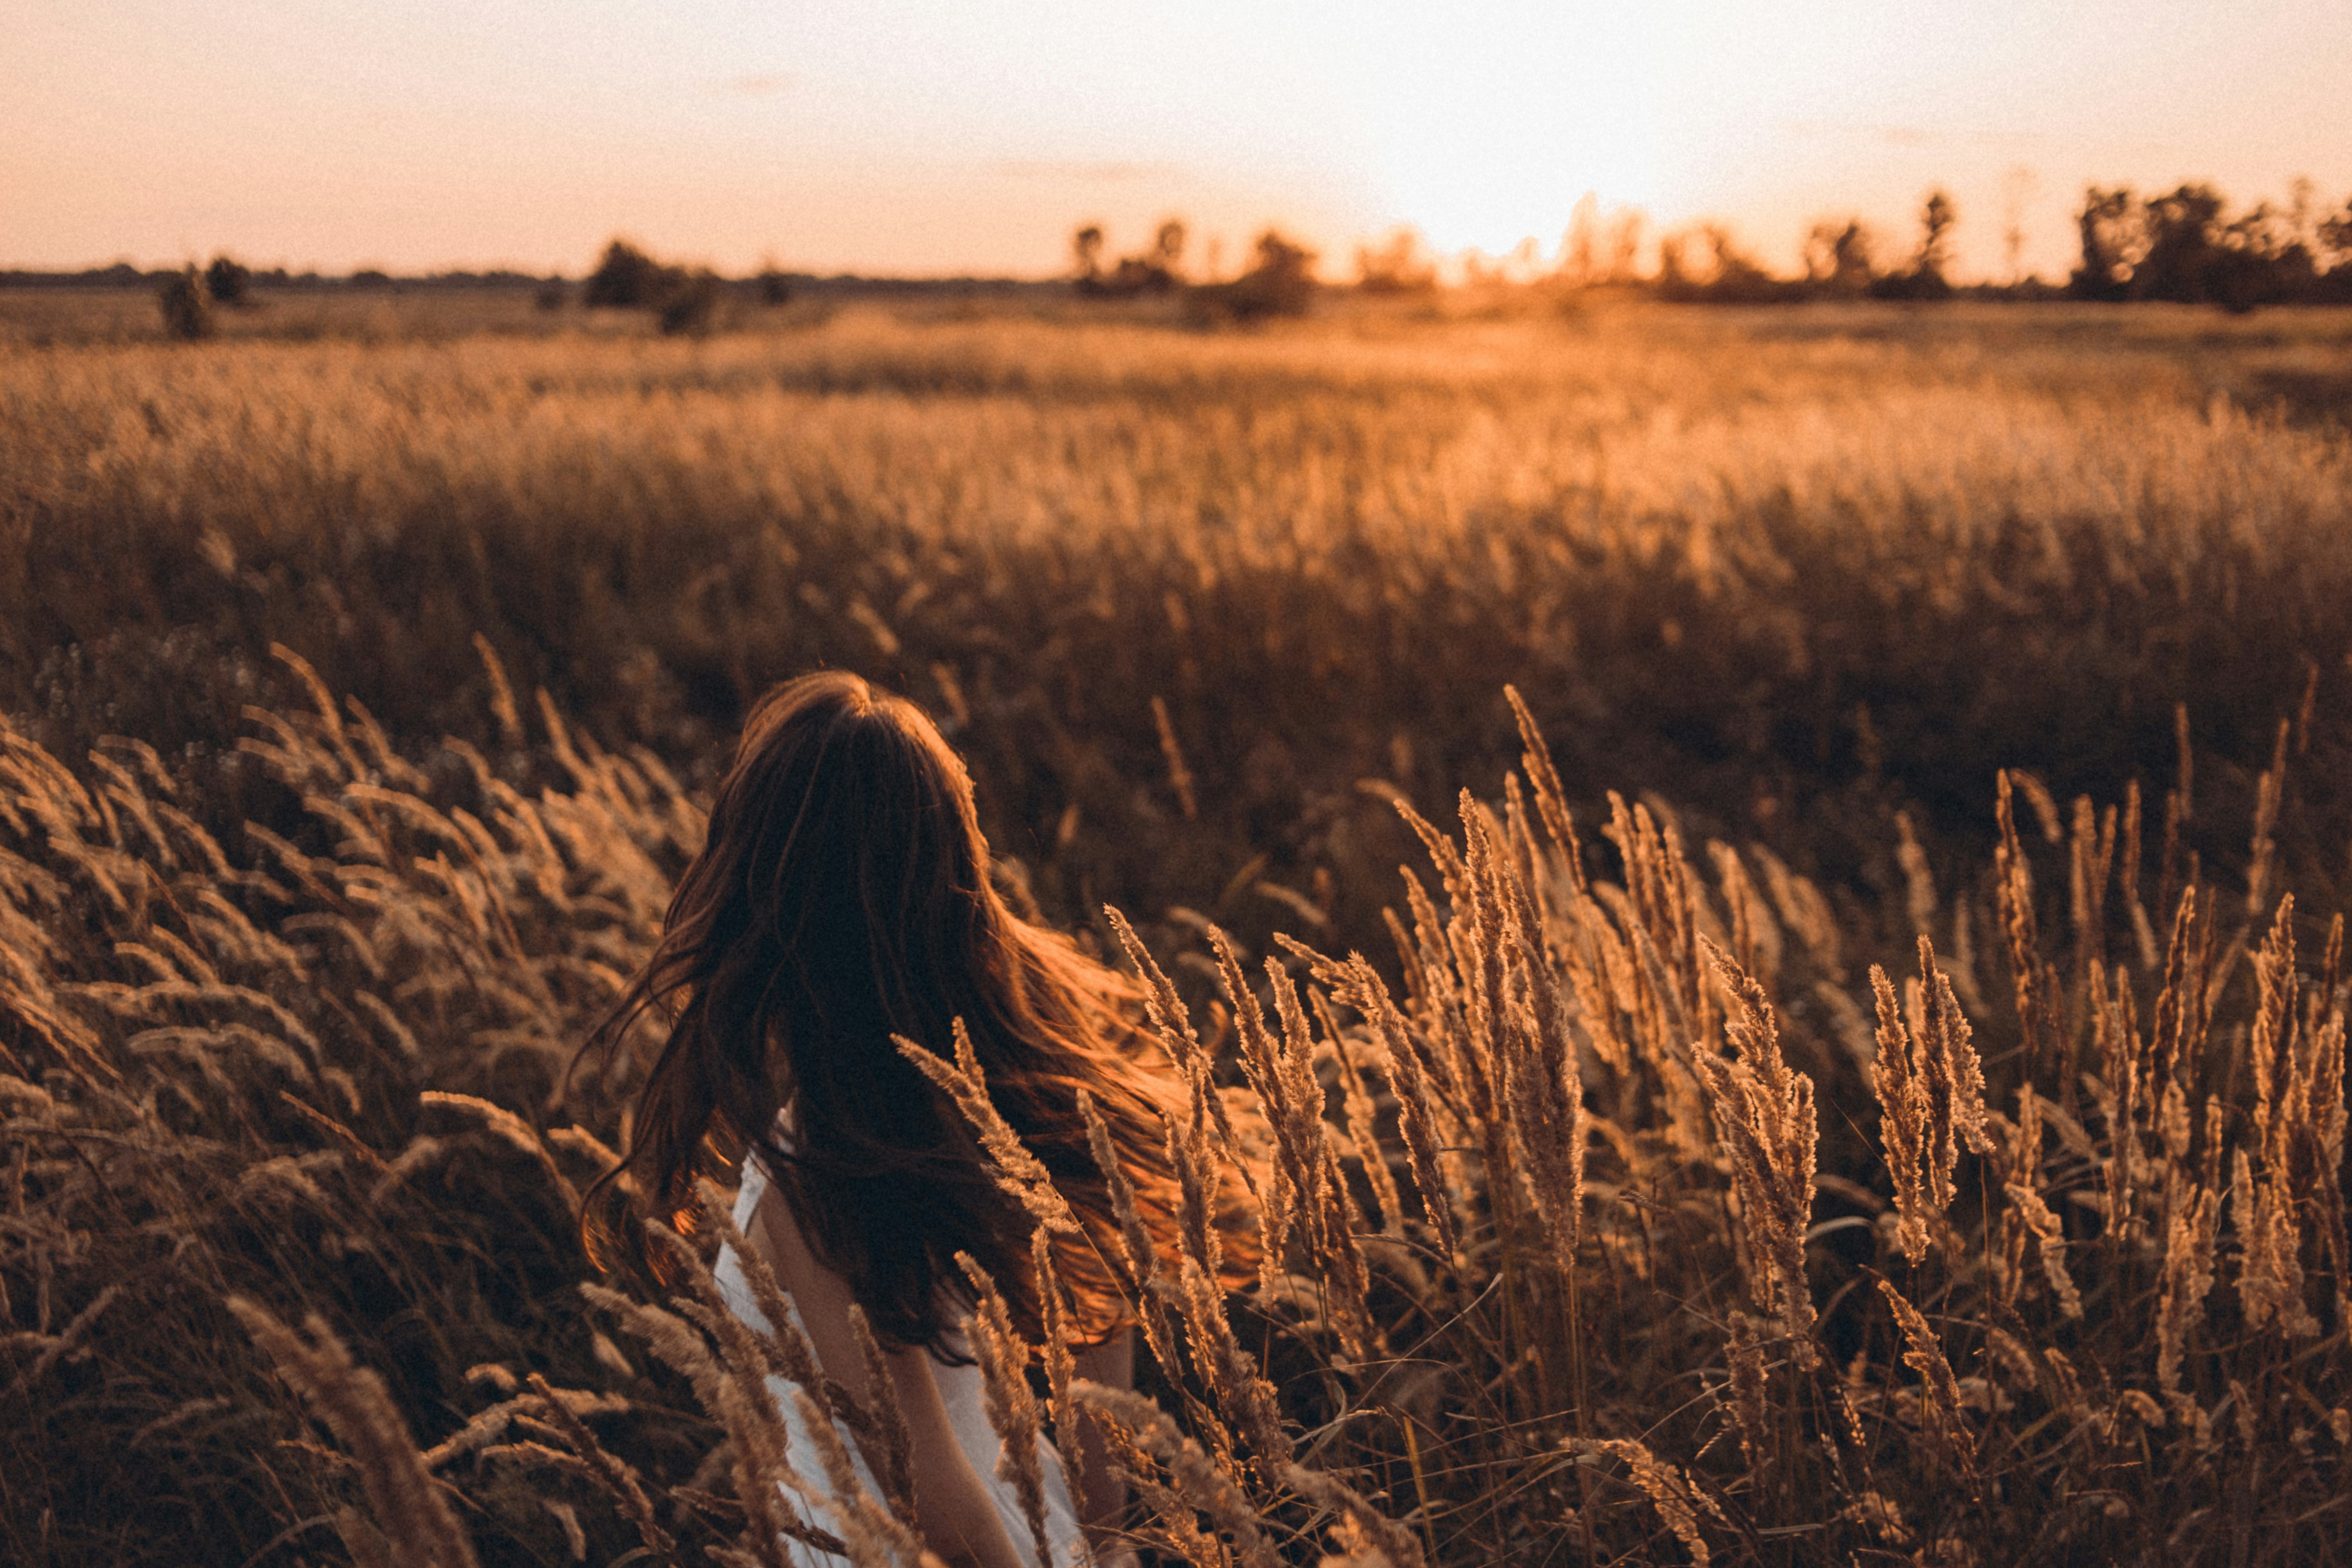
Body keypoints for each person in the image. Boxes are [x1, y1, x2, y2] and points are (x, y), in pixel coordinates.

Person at [581, 671, 1235, 1568]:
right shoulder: (977, 1080)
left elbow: (920, 1484)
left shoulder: (815, 1167)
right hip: (1031, 1528)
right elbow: (1100, 1307)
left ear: (767, 891)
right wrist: (1102, 1533)